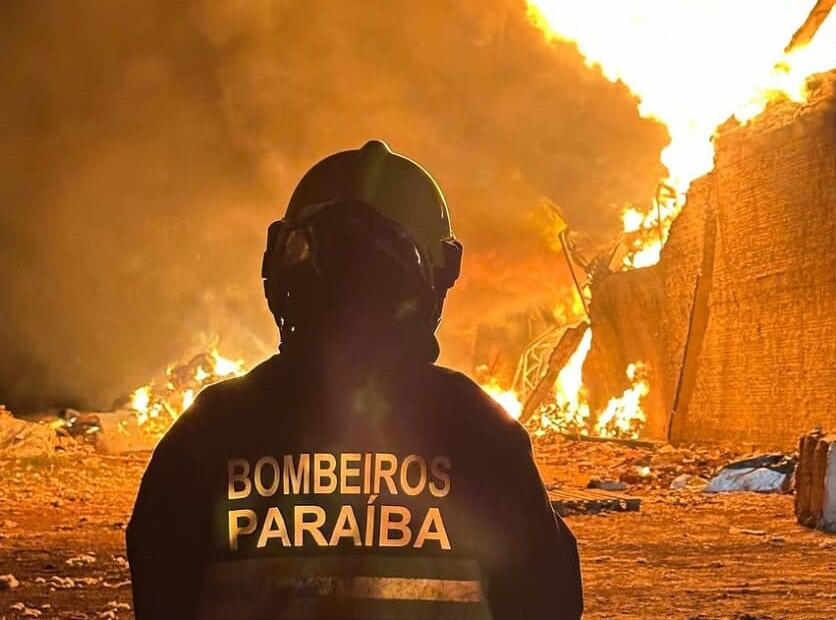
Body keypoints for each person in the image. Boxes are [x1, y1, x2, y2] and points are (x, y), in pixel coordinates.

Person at [126, 140, 583, 619]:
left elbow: (161, 591)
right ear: (432, 279)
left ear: (283, 269)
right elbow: (548, 601)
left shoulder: (209, 432)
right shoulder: (482, 434)